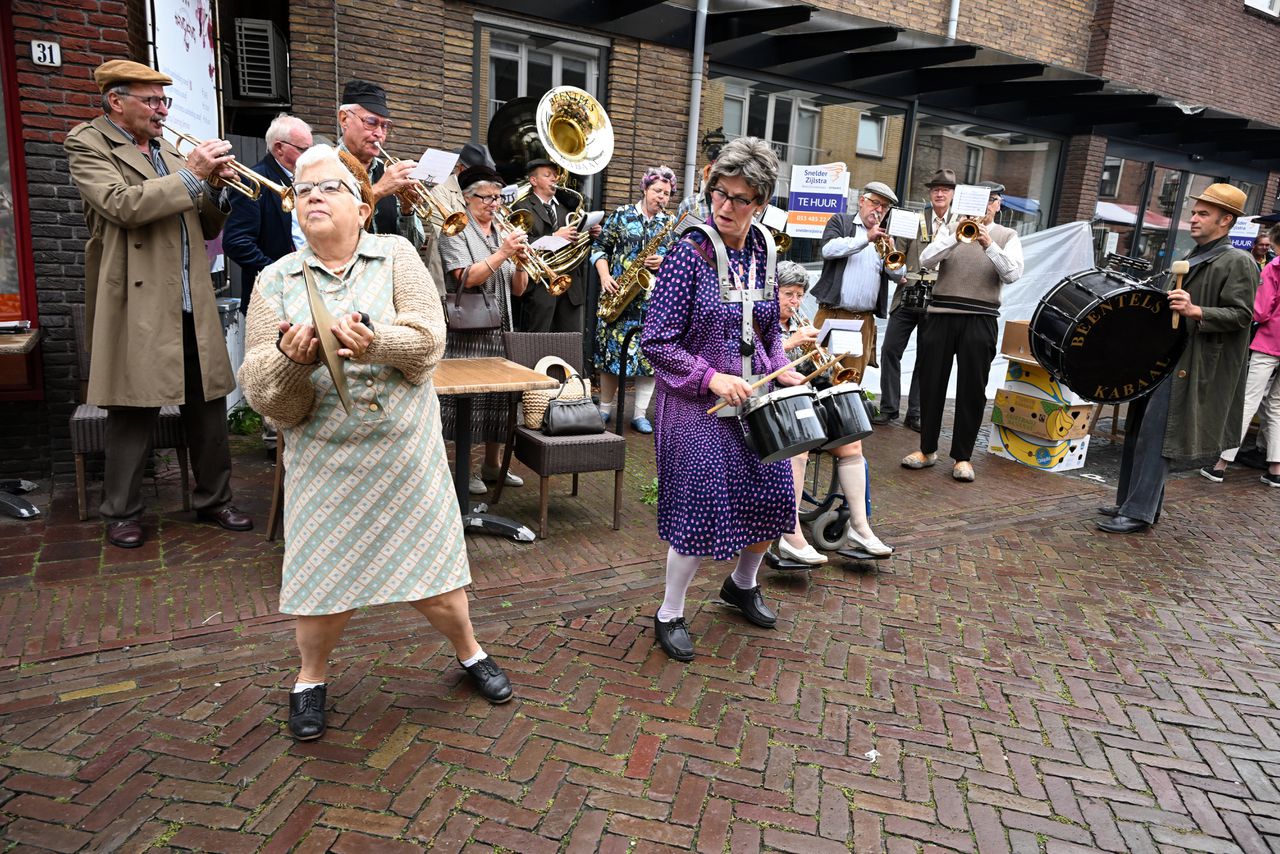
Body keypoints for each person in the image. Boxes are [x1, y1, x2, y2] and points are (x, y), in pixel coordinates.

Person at [239, 145, 512, 741]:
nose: (313, 194)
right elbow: (265, 392)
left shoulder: (396, 256)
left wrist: (374, 342)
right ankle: (309, 679)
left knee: (439, 584)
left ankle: (469, 652)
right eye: (303, 188)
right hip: (325, 462)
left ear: (363, 207)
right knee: (322, 587)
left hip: (403, 457)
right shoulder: (274, 280)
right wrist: (290, 362)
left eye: (330, 187)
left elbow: (428, 343)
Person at [65, 59, 254, 549]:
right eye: (151, 101)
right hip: (137, 298)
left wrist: (214, 187)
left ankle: (216, 499)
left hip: (190, 295)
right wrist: (193, 176)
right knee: (132, 409)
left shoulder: (170, 149)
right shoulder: (87, 143)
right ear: (115, 101)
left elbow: (206, 227)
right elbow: (122, 206)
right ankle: (122, 511)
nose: (161, 110)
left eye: (163, 100)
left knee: (208, 404)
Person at [641, 137, 810, 662]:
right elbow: (656, 340)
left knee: (775, 494)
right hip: (695, 404)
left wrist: (779, 368)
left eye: (740, 198)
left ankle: (741, 584)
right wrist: (710, 378)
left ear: (760, 202)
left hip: (753, 399)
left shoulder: (763, 248)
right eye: (720, 193)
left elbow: (765, 328)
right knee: (700, 507)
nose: (725, 207)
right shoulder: (686, 253)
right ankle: (668, 612)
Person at [1098, 183, 1260, 533]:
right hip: (1166, 358)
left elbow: (1242, 315)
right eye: (1195, 212)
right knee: (1139, 430)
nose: (1194, 219)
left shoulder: (1238, 261)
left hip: (1194, 362)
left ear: (1226, 220)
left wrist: (1195, 309)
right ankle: (1130, 501)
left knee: (1158, 436)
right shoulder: (1194, 255)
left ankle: (1139, 512)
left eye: (1204, 214)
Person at [904, 181, 1023, 483]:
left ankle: (963, 457)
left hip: (980, 318)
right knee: (931, 382)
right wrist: (958, 236)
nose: (984, 206)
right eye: (978, 200)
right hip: (941, 315)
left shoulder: (1007, 235)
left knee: (972, 388)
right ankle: (927, 450)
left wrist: (987, 243)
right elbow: (925, 259)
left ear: (998, 204)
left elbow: (1012, 274)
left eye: (991, 200)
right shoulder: (951, 229)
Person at [438, 164, 531, 495]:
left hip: (503, 324)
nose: (494, 204)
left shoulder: (502, 230)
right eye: (487, 197)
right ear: (467, 198)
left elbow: (518, 289)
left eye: (498, 197)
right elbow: (464, 277)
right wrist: (503, 252)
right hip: (471, 330)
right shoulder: (456, 230)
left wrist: (520, 263)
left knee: (500, 403)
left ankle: (493, 466)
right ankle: (465, 470)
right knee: (471, 405)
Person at [593, 166, 678, 433]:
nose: (661, 197)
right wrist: (605, 277)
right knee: (611, 356)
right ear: (644, 188)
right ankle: (604, 409)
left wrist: (665, 260)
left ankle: (640, 413)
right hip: (618, 294)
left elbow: (681, 261)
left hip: (653, 301)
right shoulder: (621, 215)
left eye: (666, 193)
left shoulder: (669, 223)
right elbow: (599, 247)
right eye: (657, 191)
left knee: (648, 359)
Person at [876, 169, 956, 431]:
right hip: (907, 296)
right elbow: (895, 254)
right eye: (935, 189)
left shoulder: (961, 224)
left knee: (926, 357)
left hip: (938, 301)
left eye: (945, 189)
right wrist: (895, 273)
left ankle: (916, 413)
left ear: (953, 194)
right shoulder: (913, 219)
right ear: (930, 193)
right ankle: (888, 408)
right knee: (890, 351)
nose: (940, 193)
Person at [1201, 236, 1280, 487]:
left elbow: (1260, 310)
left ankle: (1221, 464)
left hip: (1271, 341)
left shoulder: (1274, 266)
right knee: (1277, 406)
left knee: (1247, 400)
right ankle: (1276, 470)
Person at [810, 182, 907, 385]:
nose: (879, 209)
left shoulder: (886, 235)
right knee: (816, 374)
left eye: (884, 206)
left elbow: (899, 276)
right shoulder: (841, 221)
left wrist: (891, 251)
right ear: (862, 201)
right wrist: (866, 238)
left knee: (851, 381)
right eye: (875, 203)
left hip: (862, 322)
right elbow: (828, 249)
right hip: (831, 314)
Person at [222, 113, 313, 314]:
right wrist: (279, 273)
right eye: (302, 149)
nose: (308, 155)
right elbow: (236, 242)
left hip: (308, 289)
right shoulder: (252, 180)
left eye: (310, 148)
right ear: (279, 148)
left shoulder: (304, 178)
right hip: (274, 296)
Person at [336, 80, 426, 252]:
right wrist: (377, 191)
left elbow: (411, 247)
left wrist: (407, 210)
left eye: (385, 126)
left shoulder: (385, 170)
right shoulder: (322, 165)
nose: (379, 134)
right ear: (344, 119)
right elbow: (330, 231)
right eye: (371, 122)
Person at [510, 158, 598, 333]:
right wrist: (555, 236)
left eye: (555, 175)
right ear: (534, 181)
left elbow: (576, 244)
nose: (554, 179)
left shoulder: (568, 209)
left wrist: (589, 234)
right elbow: (520, 244)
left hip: (570, 288)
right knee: (537, 343)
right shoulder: (522, 207)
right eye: (547, 175)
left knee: (569, 345)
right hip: (540, 289)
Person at [425, 142, 494, 300]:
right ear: (461, 169)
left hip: (478, 273)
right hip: (445, 273)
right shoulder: (440, 191)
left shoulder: (482, 193)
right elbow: (449, 233)